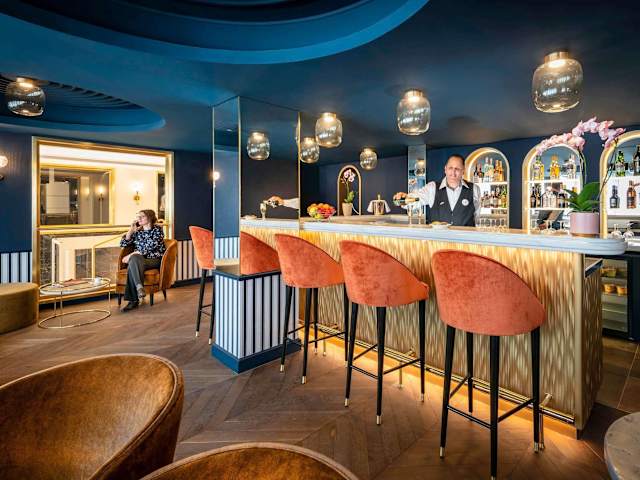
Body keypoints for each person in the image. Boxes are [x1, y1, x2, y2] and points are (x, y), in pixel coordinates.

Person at [407, 154, 481, 226]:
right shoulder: (432, 188)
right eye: (450, 168)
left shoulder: (474, 189)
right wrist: (404, 198)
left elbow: (478, 217)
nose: (453, 172)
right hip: (438, 234)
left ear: (463, 171)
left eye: (457, 169)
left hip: (466, 234)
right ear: (445, 169)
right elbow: (415, 200)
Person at [119, 209, 165, 312]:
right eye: (138, 216)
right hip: (138, 260)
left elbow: (150, 247)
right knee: (134, 261)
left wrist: (131, 255)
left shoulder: (157, 230)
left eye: (142, 216)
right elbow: (123, 244)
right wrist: (131, 231)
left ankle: (133, 301)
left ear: (150, 218)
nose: (139, 218)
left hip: (154, 260)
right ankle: (139, 287)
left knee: (133, 259)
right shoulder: (138, 231)